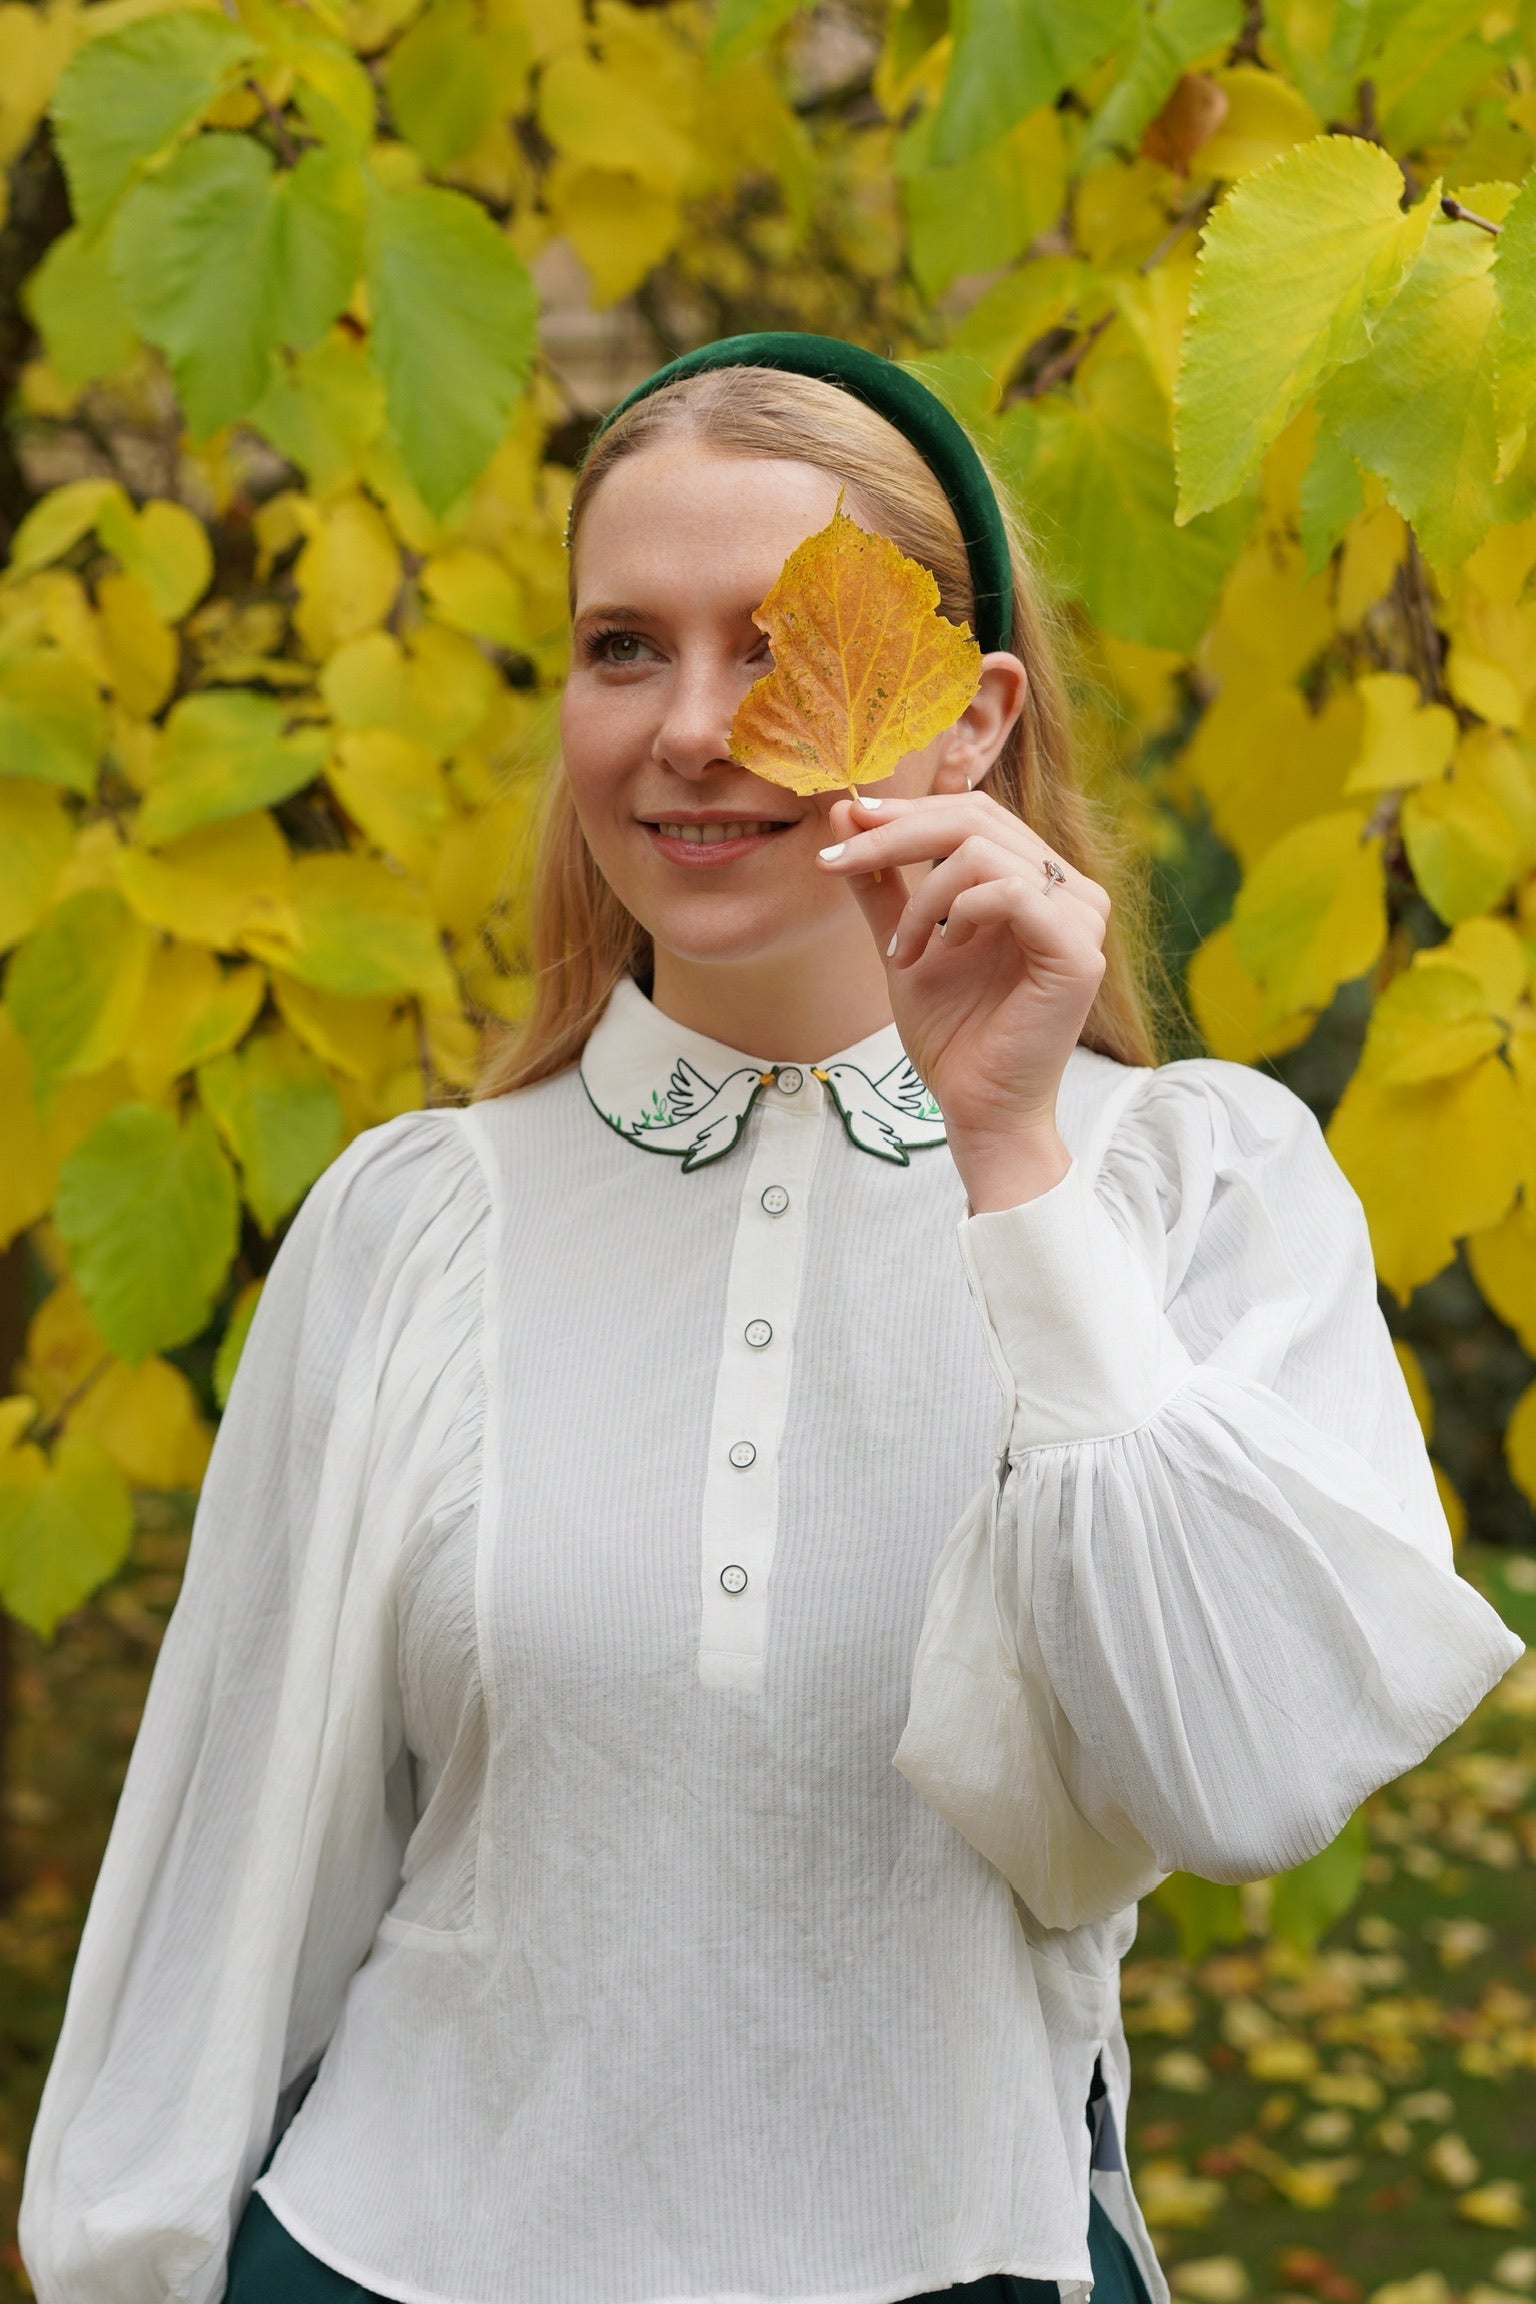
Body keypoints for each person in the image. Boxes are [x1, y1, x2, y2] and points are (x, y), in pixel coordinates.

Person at [21, 336, 1521, 2304]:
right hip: (396, 2256)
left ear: (971, 719)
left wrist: (1013, 1172)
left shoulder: (1191, 1193)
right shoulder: (416, 1224)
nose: (688, 729)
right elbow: (236, 1889)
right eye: (624, 647)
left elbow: (1234, 1777)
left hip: (960, 2256)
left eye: (776, 646)